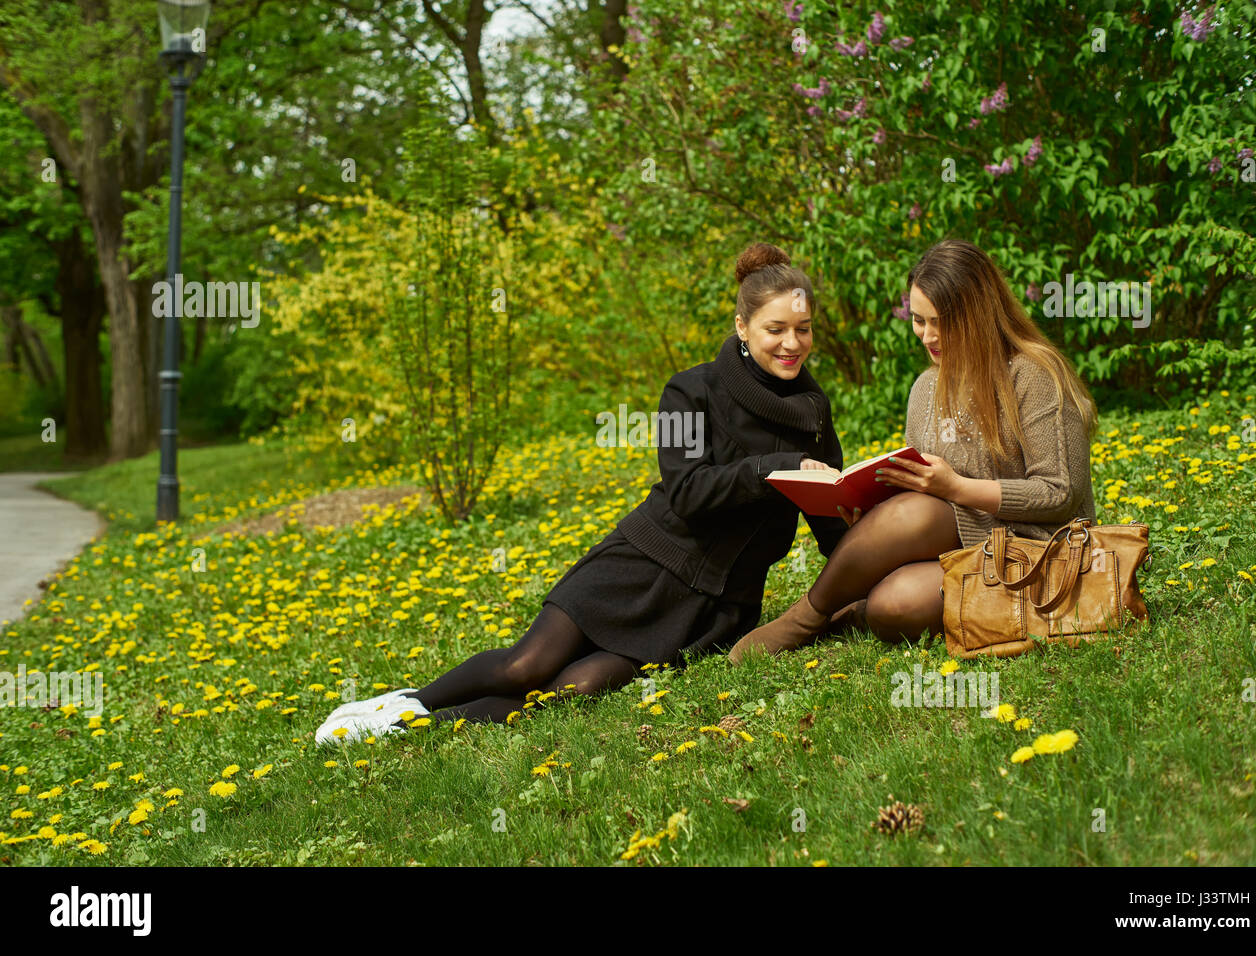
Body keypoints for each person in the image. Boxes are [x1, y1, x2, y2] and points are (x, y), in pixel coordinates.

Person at [316, 242, 851, 745]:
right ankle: (404, 706)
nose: (792, 344)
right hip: (642, 564)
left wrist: (866, 570)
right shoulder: (688, 390)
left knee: (575, 690)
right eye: (775, 328)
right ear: (742, 326)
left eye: (803, 330)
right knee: (525, 666)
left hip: (717, 605)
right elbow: (687, 492)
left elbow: (833, 518)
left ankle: (417, 729)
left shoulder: (813, 413)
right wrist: (772, 468)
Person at [728, 237, 1098, 661]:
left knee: (899, 595)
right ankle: (839, 611)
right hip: (967, 545)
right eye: (919, 320)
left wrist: (955, 487)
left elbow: (1059, 493)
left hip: (1038, 550)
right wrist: (872, 510)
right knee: (890, 604)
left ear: (979, 314)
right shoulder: (925, 389)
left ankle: (806, 617)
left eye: (942, 321)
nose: (929, 335)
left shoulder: (1034, 375)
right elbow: (919, 484)